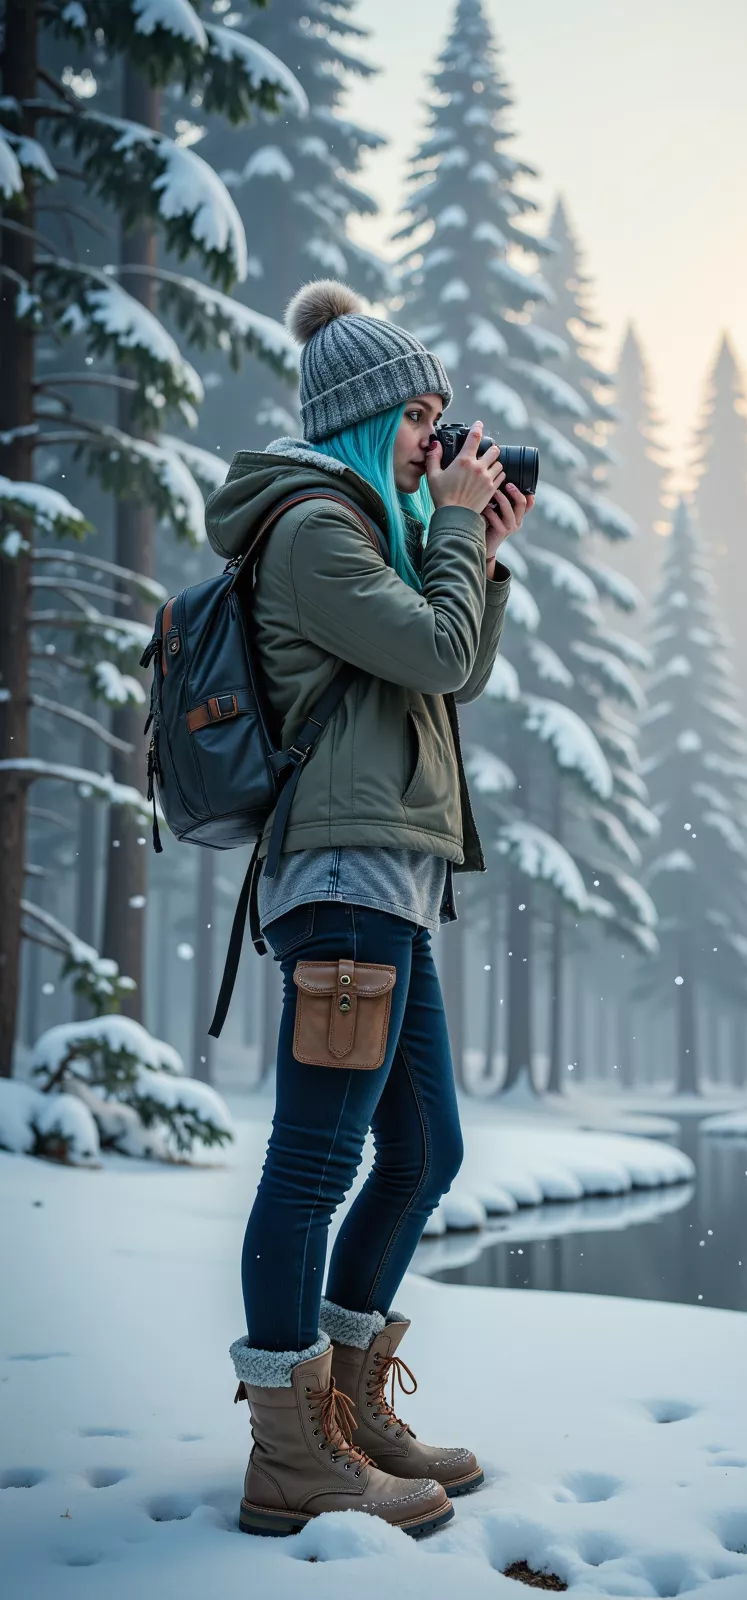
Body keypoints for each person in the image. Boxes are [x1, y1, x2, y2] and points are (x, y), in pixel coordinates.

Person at [205, 280, 533, 1539]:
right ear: (360, 415)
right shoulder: (310, 531)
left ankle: (343, 1410)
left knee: (424, 1150)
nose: (436, 440)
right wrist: (447, 528)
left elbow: (452, 669)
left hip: (388, 885)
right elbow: (438, 655)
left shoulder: (371, 532)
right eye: (418, 417)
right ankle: (291, 1453)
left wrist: (474, 550)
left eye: (441, 418)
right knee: (316, 1160)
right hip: (342, 883)